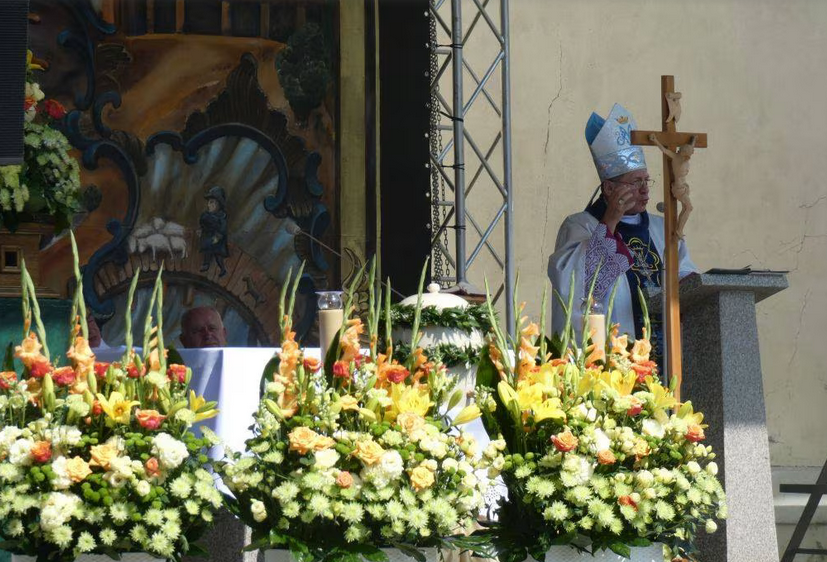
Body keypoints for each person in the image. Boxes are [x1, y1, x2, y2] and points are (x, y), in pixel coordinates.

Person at [548, 103, 697, 365]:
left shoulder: (662, 229)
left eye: (646, 181)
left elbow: (685, 278)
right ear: (608, 188)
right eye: (635, 182)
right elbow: (577, 287)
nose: (645, 190)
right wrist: (611, 221)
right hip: (614, 357)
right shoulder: (580, 226)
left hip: (667, 355)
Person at [198, 186, 229, 277]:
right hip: (208, 238)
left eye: (212, 202)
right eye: (209, 202)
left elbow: (222, 229)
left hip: (216, 239)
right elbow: (203, 223)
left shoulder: (221, 217)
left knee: (218, 256)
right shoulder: (207, 216)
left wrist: (218, 236)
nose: (209, 205)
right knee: (208, 250)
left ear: (218, 204)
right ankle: (206, 264)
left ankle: (222, 269)